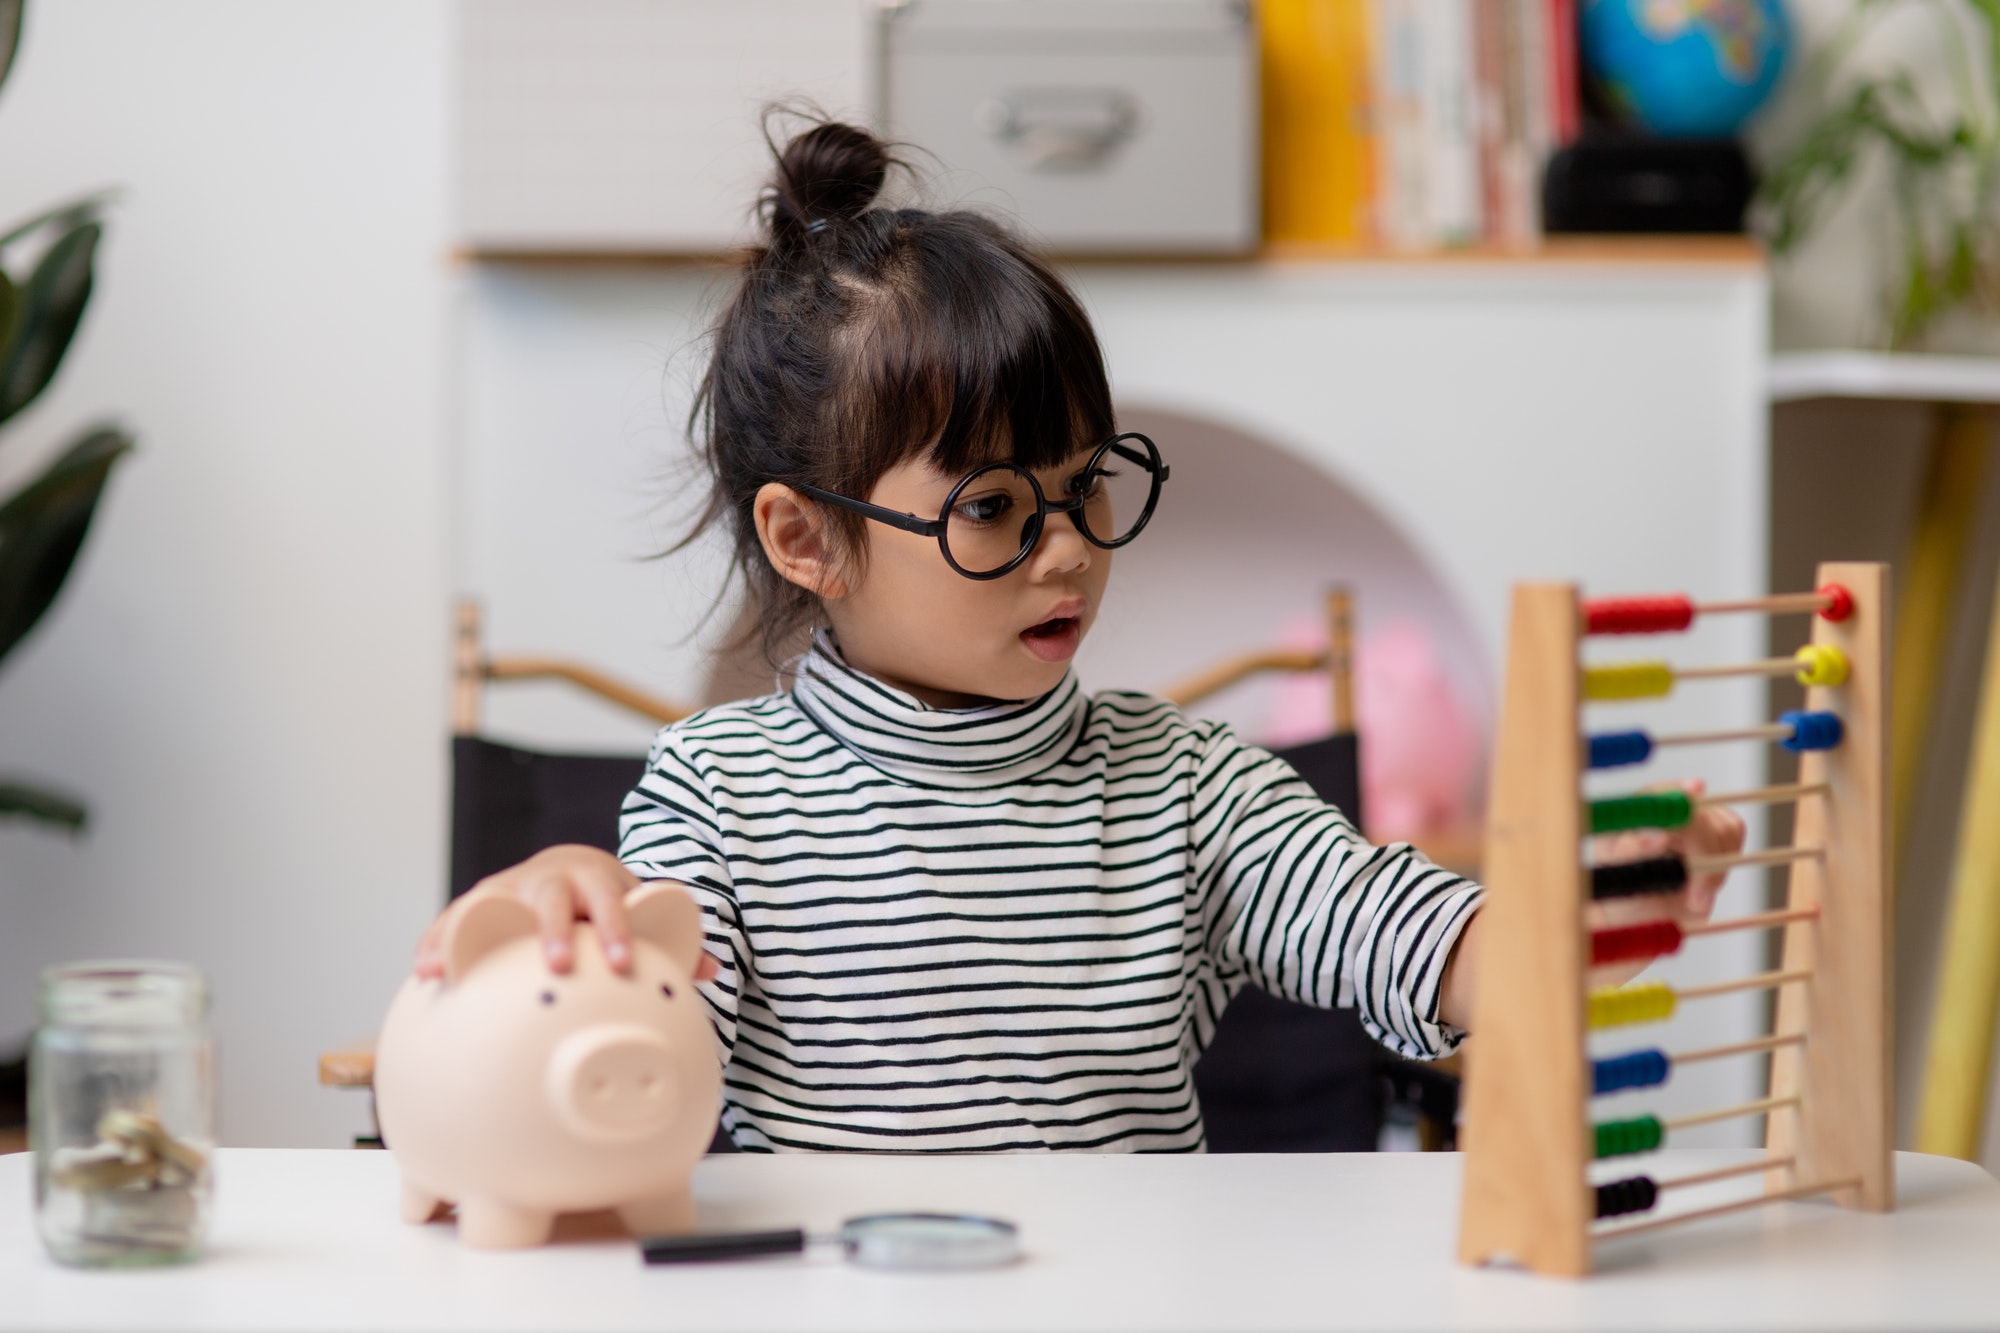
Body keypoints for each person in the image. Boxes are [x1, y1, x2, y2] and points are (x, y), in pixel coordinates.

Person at [415, 119, 1744, 1152]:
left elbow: (1416, 940)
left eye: (1088, 483)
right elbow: (624, 1052)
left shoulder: (1188, 785)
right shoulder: (719, 794)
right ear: (805, 537)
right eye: (992, 507)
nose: (1068, 546)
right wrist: (557, 917)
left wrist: (1591, 902)